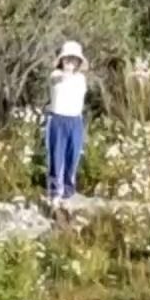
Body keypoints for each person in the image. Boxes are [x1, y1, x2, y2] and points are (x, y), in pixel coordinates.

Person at [44, 40, 89, 207]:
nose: (70, 62)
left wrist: (72, 74)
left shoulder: (81, 79)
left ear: (79, 62)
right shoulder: (55, 75)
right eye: (67, 58)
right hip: (57, 120)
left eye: (74, 59)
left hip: (75, 120)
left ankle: (69, 191)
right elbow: (59, 79)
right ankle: (55, 191)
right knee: (56, 155)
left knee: (73, 155)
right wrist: (66, 72)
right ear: (62, 60)